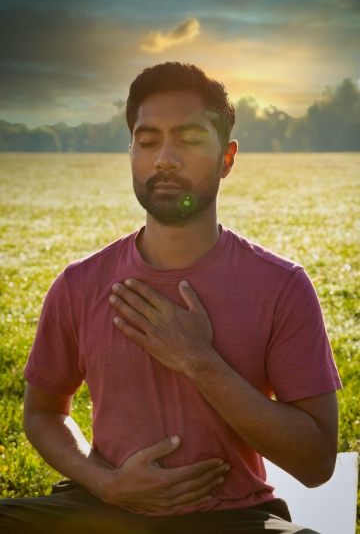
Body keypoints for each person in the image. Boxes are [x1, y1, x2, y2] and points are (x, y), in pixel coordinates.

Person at [0, 62, 342, 533]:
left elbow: (317, 461)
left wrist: (200, 361)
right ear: (132, 153)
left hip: (234, 519)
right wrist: (105, 482)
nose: (165, 158)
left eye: (190, 139)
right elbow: (42, 412)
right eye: (147, 141)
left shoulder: (281, 286)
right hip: (101, 509)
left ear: (227, 158)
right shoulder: (80, 284)